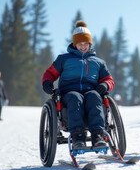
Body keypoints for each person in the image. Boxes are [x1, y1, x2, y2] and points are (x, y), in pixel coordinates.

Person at [42, 21, 114, 150]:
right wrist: (47, 82)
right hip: (69, 92)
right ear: (75, 44)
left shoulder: (98, 62)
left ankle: (98, 135)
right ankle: (78, 137)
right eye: (80, 44)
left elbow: (109, 79)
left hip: (90, 91)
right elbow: (50, 73)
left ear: (90, 44)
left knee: (94, 96)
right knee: (75, 98)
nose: (83, 46)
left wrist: (105, 85)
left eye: (86, 44)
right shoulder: (64, 59)